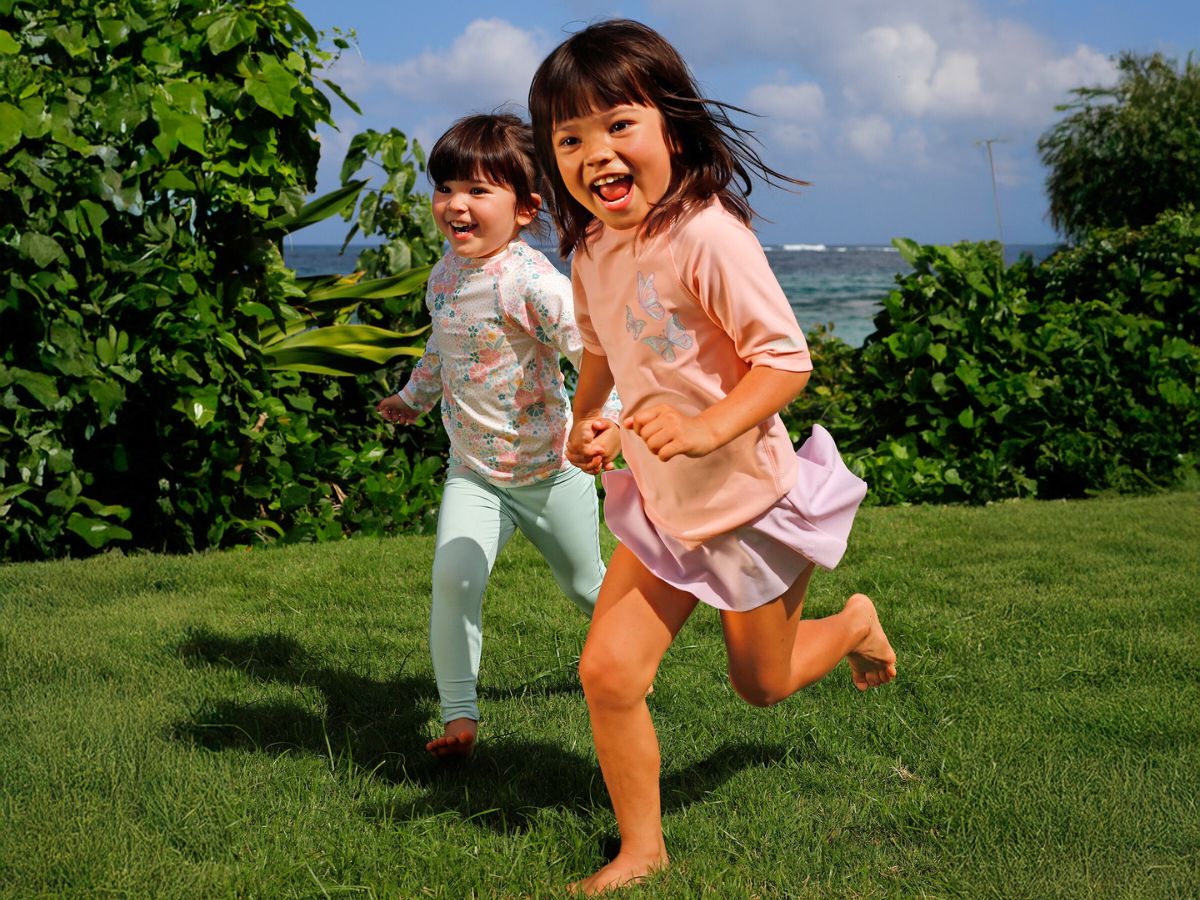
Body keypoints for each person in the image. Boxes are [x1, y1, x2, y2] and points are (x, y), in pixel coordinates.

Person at [528, 20, 897, 893]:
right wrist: (585, 418)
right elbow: (602, 347)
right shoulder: (591, 249)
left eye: (619, 124)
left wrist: (705, 428)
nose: (597, 154)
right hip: (664, 508)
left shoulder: (707, 235)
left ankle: (851, 624)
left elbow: (786, 361)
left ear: (671, 127)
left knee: (760, 687)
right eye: (570, 138)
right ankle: (643, 850)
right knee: (607, 672)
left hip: (748, 508)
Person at [376, 113, 620, 761]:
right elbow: (444, 350)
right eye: (446, 187)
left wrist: (610, 419)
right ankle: (459, 717)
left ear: (524, 208)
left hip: (549, 472)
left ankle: (632, 649)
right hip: (474, 474)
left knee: (586, 585)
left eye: (478, 190)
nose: (456, 203)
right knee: (454, 579)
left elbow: (592, 350)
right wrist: (413, 398)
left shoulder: (531, 281)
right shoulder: (444, 276)